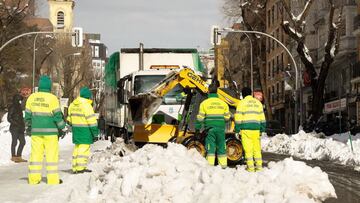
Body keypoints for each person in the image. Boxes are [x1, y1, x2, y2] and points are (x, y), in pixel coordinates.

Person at [25, 75, 66, 185]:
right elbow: (57, 116)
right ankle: (52, 180)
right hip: (51, 133)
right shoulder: (52, 98)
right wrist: (63, 127)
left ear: (39, 86)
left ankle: (34, 179)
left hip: (36, 132)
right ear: (49, 87)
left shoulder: (31, 98)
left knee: (35, 155)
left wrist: (29, 127)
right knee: (51, 156)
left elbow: (27, 116)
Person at [195, 82, 230, 168]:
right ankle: (223, 167)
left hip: (209, 130)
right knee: (222, 148)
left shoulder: (204, 103)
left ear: (209, 91)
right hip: (221, 129)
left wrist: (197, 129)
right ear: (217, 92)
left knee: (210, 148)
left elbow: (200, 118)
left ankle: (210, 167)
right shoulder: (223, 103)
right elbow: (227, 118)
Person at [67, 86, 99, 174]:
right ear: (88, 96)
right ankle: (81, 167)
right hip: (85, 131)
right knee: (83, 149)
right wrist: (95, 134)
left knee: (77, 148)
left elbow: (69, 119)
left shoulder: (73, 104)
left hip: (76, 130)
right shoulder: (86, 106)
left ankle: (75, 167)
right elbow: (92, 121)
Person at [234, 87, 266, 172]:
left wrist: (237, 130)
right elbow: (262, 118)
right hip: (256, 129)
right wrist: (262, 129)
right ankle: (259, 168)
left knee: (248, 150)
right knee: (257, 149)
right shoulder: (258, 103)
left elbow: (238, 118)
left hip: (246, 129)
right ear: (251, 93)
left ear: (243, 94)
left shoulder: (242, 103)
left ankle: (251, 168)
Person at [7, 94, 27, 163]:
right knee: (14, 142)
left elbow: (21, 118)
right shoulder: (12, 107)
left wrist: (23, 126)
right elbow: (9, 118)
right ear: (17, 100)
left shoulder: (19, 107)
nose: (21, 102)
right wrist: (16, 123)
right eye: (20, 100)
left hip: (20, 128)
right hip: (14, 128)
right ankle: (13, 156)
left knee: (23, 142)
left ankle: (18, 156)